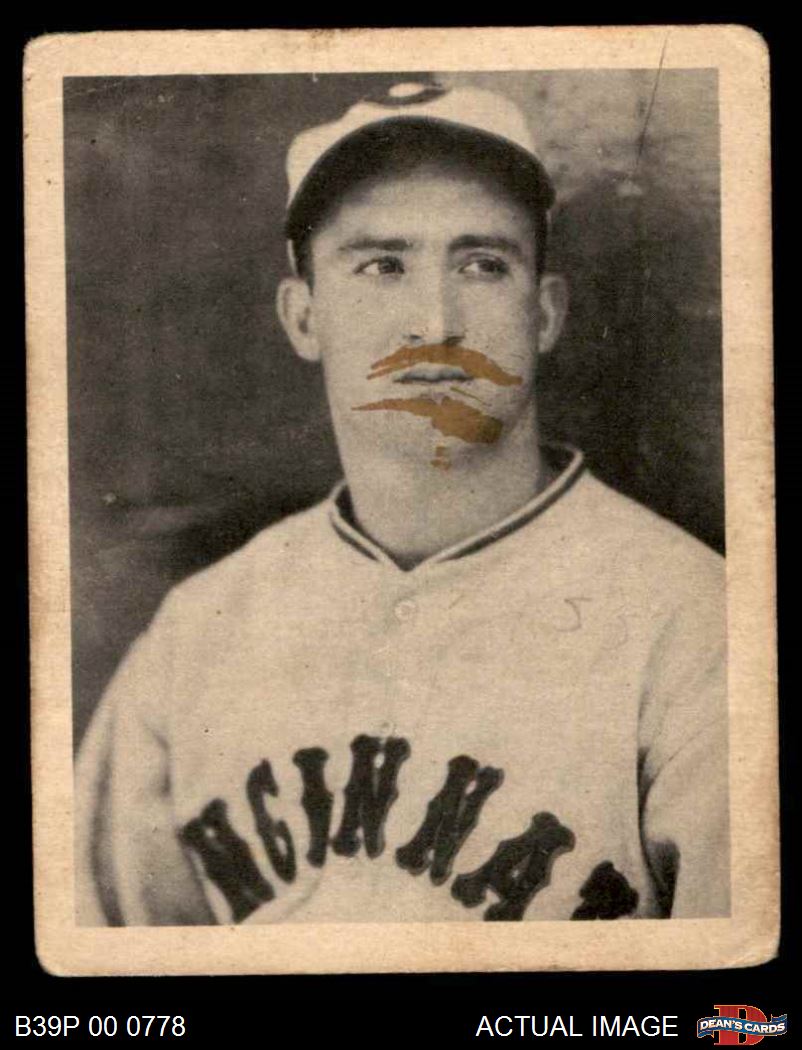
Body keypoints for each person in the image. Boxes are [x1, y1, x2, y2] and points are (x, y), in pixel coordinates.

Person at [75, 82, 728, 925]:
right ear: (302, 317)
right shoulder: (195, 633)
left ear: (544, 313)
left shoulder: (694, 625)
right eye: (381, 265)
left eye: (482, 264)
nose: (435, 320)